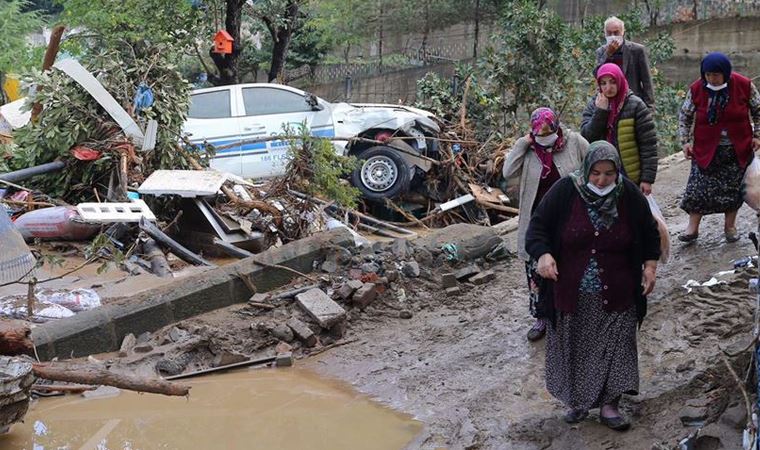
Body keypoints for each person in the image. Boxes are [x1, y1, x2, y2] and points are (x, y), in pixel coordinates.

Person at [525, 141, 660, 431]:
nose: (601, 180)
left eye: (609, 174)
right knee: (576, 348)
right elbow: (537, 228)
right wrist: (544, 254)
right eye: (596, 173)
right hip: (572, 290)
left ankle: (610, 405)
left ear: (617, 171)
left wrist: (650, 267)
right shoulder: (565, 191)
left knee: (617, 346)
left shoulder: (629, 195)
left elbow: (650, 233)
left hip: (619, 289)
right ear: (586, 169)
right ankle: (579, 401)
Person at [503, 107, 589, 342]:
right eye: (539, 136)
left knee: (571, 268)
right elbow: (507, 171)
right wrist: (523, 143)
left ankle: (573, 316)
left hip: (570, 219)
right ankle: (541, 317)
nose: (545, 140)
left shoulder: (573, 142)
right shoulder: (529, 149)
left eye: (548, 134)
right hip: (537, 223)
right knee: (536, 272)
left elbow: (595, 162)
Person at [678, 52, 760, 243]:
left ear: (725, 73)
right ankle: (692, 229)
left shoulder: (744, 86)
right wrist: (685, 142)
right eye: (707, 75)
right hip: (706, 148)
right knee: (697, 189)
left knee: (732, 190)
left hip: (736, 148)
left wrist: (757, 135)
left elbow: (758, 111)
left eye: (716, 75)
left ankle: (730, 227)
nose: (711, 79)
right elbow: (685, 116)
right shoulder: (698, 89)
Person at [581, 63, 658, 195]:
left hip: (630, 175)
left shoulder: (636, 105)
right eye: (603, 83)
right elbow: (587, 137)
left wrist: (647, 179)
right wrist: (601, 112)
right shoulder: (594, 105)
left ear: (620, 80)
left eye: (612, 82)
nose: (608, 88)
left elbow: (648, 145)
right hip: (602, 175)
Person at [595, 16, 655, 108]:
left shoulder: (637, 50)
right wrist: (608, 54)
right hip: (609, 103)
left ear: (623, 32)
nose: (612, 36)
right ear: (605, 34)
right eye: (609, 33)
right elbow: (597, 74)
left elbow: (647, 81)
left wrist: (649, 107)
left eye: (616, 32)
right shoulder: (601, 51)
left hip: (632, 102)